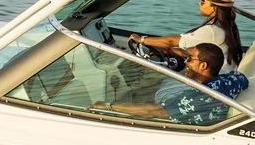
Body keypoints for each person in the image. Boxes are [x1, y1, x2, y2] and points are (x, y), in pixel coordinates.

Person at [94, 43, 247, 125]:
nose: (185, 62)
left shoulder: (198, 97)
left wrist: (108, 106)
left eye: (189, 59)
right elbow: (242, 78)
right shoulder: (227, 81)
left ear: (203, 66)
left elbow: (154, 111)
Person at [129, 0, 244, 72]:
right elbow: (191, 52)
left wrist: (141, 40)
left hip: (211, 83)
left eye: (203, 2)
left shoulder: (212, 31)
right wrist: (168, 50)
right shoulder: (227, 27)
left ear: (214, 8)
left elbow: (171, 41)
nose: (199, 4)